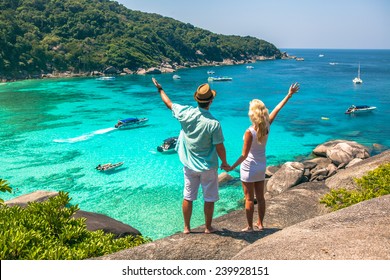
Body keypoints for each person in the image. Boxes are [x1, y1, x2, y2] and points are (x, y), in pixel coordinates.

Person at [152, 77, 229, 234]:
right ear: (211, 101)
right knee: (209, 198)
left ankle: (186, 228)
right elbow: (219, 146)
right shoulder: (214, 123)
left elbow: (169, 103)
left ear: (197, 99)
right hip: (208, 167)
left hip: (189, 165)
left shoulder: (185, 113)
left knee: (188, 196)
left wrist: (160, 89)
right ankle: (208, 227)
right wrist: (225, 162)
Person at [228, 83, 300, 232]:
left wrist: (231, 167)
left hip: (248, 168)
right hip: (261, 166)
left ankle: (249, 227)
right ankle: (260, 224)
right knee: (260, 198)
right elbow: (278, 108)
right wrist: (289, 94)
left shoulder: (249, 132)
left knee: (248, 199)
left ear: (252, 113)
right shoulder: (266, 125)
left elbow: (244, 155)